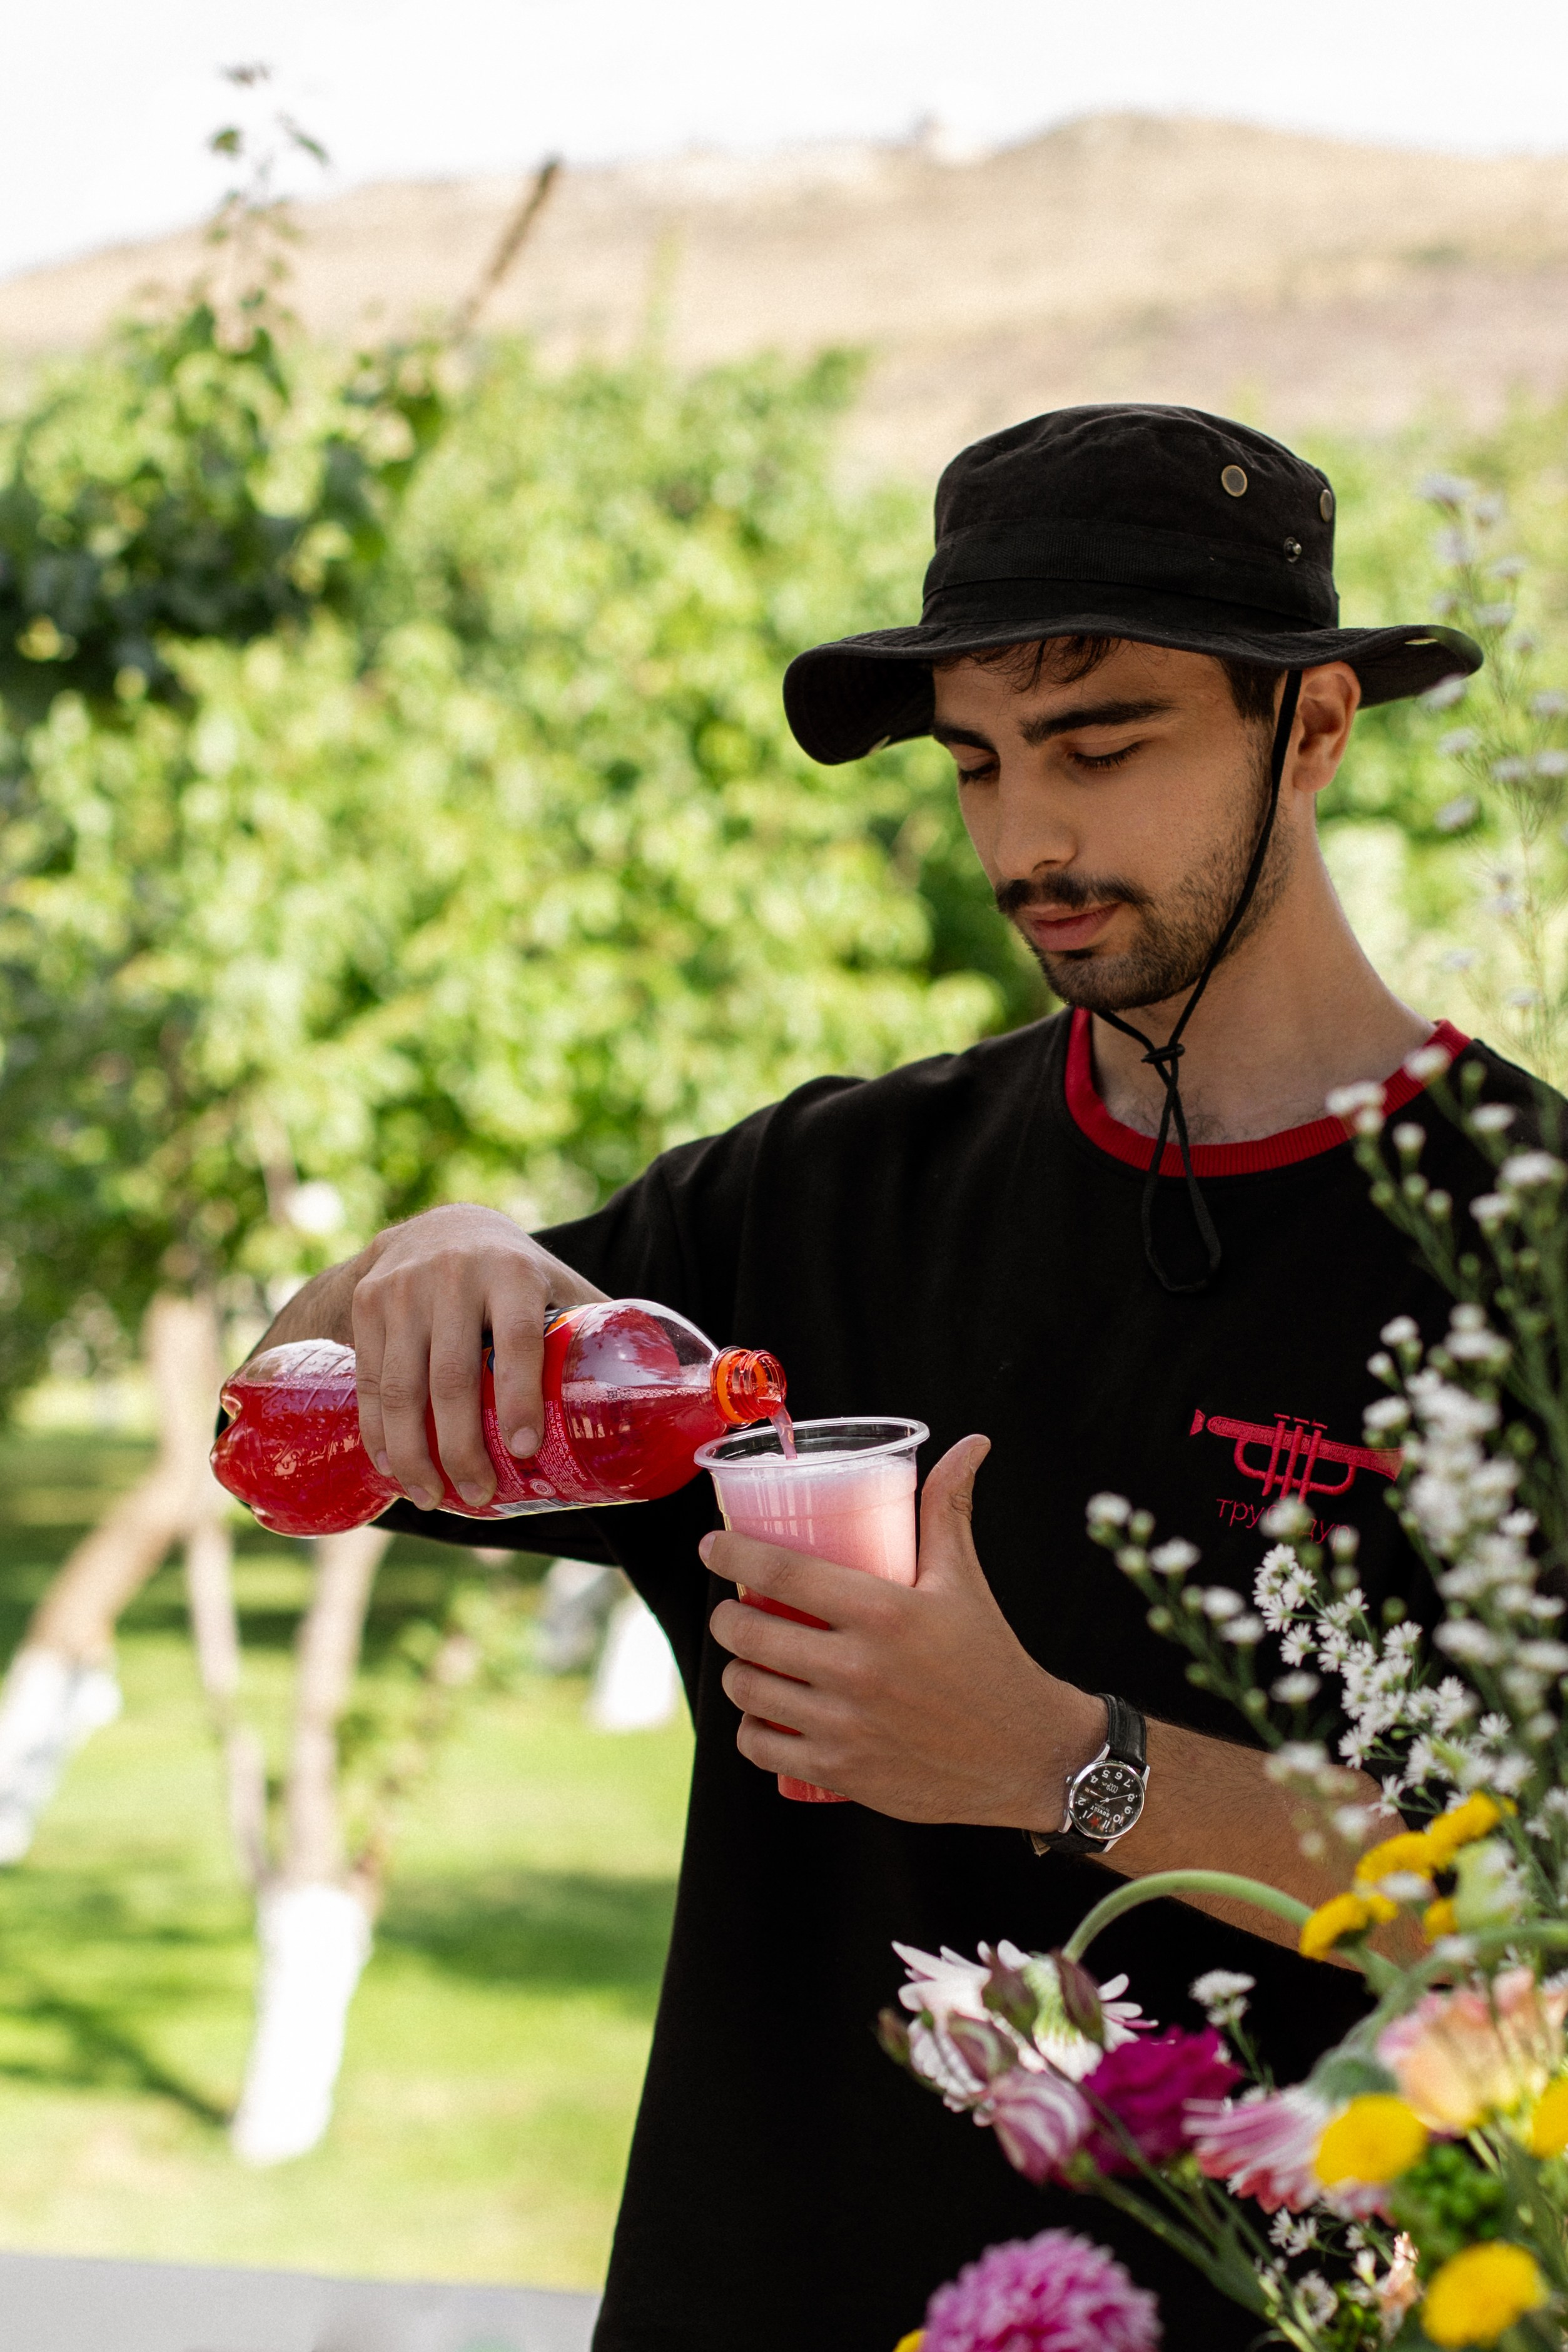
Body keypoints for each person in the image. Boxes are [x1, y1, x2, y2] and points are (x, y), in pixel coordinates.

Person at [256, 405, 1531, 2349]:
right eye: (974, 763)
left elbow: (1534, 1905)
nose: (1025, 838)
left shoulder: (1518, 1253)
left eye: (1102, 745)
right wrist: (416, 1255)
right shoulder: (818, 1196)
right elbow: (280, 1427)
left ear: (1317, 728)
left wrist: (1058, 1763)